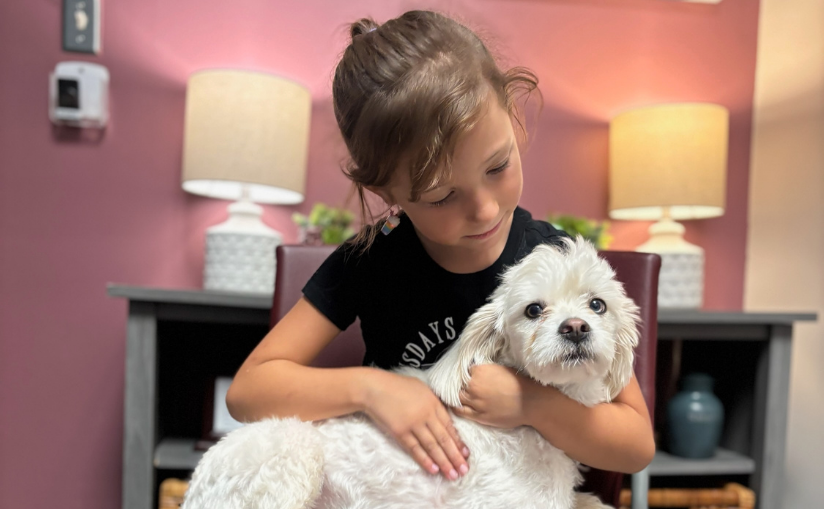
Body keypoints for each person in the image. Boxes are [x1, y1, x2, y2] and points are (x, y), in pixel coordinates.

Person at [226, 10, 655, 484]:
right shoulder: (370, 261)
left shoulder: (551, 262)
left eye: (497, 166)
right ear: (387, 193)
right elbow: (248, 391)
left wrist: (532, 403)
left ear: (513, 116)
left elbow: (635, 445)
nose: (486, 210)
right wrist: (372, 388)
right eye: (441, 197)